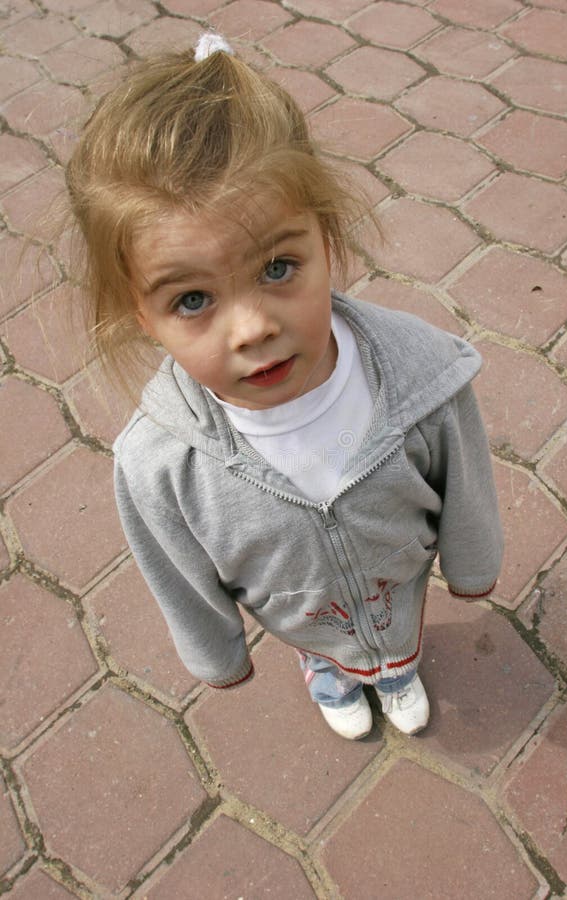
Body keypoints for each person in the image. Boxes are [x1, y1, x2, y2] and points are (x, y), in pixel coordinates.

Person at [66, 32, 503, 741]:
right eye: (191, 300)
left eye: (276, 269)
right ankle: (328, 674)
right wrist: (218, 651)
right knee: (323, 649)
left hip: (399, 590)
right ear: (138, 314)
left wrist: (475, 565)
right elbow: (177, 573)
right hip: (301, 618)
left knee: (397, 644)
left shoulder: (425, 375)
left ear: (326, 241)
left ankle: (394, 673)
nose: (250, 329)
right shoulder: (158, 465)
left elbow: (469, 482)